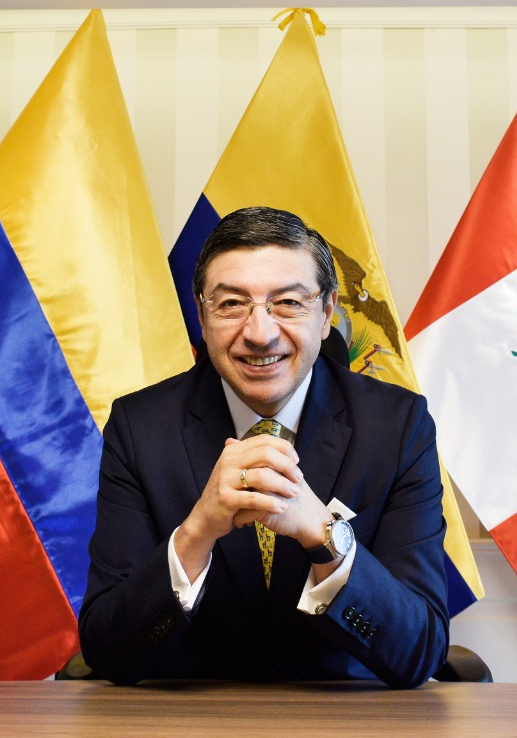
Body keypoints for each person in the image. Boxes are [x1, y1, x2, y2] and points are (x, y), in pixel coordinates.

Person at [78, 206, 449, 688]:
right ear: (202, 315)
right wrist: (197, 532)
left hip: (344, 714)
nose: (260, 333)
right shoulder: (140, 427)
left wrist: (324, 535)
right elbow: (107, 652)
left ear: (327, 313)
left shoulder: (397, 426)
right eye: (232, 304)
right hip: (185, 716)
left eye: (288, 303)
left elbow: (420, 652)